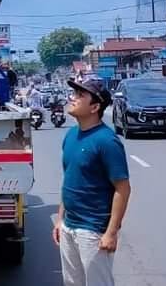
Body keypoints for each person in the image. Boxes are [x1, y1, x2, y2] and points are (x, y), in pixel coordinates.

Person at [53, 77, 131, 286]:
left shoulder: (107, 141)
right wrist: (60, 220)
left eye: (80, 95)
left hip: (93, 230)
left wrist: (111, 233)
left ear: (95, 107)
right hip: (70, 226)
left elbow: (122, 189)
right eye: (74, 94)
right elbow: (69, 179)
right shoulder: (71, 135)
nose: (73, 98)